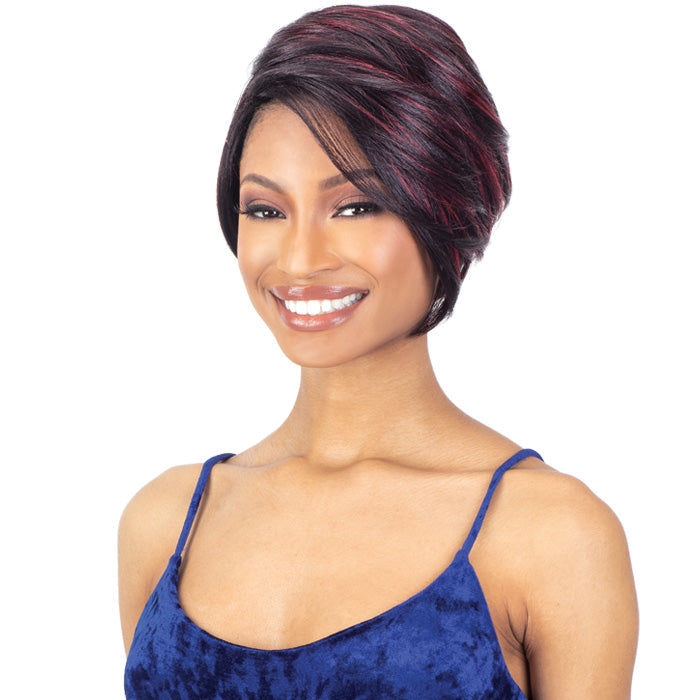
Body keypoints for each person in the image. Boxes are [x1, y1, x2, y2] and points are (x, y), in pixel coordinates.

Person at [119, 5, 638, 698]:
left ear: (447, 210)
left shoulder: (551, 534)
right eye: (266, 210)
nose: (299, 260)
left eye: (356, 207)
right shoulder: (163, 522)